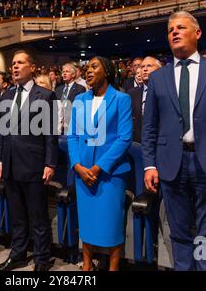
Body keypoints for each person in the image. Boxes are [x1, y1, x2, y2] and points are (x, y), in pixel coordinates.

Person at [142, 11, 206, 271]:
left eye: (181, 27)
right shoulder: (158, 77)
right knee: (177, 231)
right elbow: (150, 127)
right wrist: (149, 165)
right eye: (170, 30)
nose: (174, 32)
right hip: (170, 163)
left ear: (197, 33)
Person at [0, 50, 58, 272]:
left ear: (32, 67)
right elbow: (2, 132)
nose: (15, 67)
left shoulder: (46, 95)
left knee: (38, 217)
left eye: (20, 63)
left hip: (34, 164)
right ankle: (18, 254)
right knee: (17, 216)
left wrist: (50, 164)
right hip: (9, 164)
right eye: (13, 64)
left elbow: (51, 134)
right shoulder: (7, 95)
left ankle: (41, 259)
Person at [67, 56, 133, 271]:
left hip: (109, 174)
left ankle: (113, 268)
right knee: (86, 222)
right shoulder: (80, 100)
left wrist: (97, 168)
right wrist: (77, 165)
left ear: (107, 71)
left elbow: (124, 138)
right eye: (86, 68)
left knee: (112, 223)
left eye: (94, 67)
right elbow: (73, 136)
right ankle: (87, 266)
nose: (88, 71)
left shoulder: (121, 99)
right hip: (82, 172)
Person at [128, 57, 162, 143]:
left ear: (160, 70)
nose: (145, 69)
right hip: (138, 143)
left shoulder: (169, 91)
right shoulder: (132, 94)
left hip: (162, 144)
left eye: (149, 66)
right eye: (142, 67)